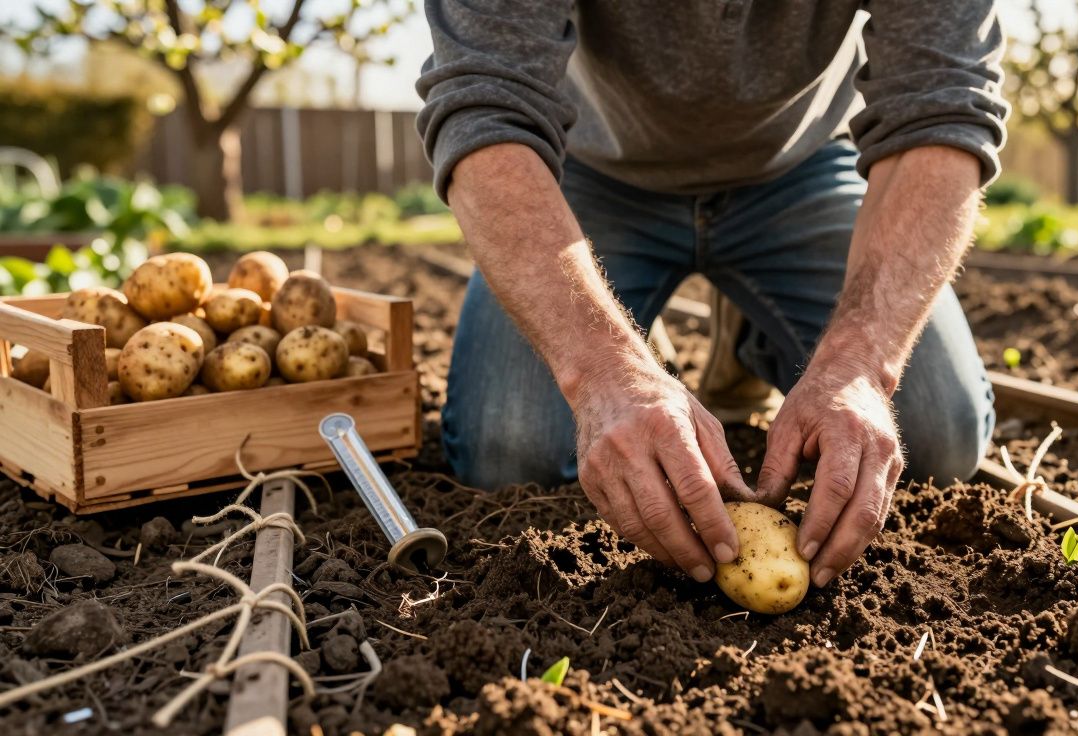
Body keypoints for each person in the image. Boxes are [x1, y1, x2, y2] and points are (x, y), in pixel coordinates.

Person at [417, 1, 1008, 590]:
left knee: (937, 437)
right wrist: (603, 371)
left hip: (797, 169)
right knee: (508, 451)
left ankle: (749, 333)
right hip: (592, 174)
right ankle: (646, 319)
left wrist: (861, 367)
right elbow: (484, 107)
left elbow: (942, 105)